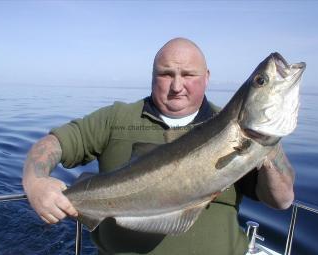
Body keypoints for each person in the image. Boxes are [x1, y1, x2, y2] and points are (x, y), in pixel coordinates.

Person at [22, 38, 295, 255]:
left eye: (188, 74)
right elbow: (53, 142)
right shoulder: (115, 118)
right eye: (166, 74)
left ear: (207, 77)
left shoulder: (229, 126)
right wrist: (35, 181)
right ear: (152, 76)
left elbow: (282, 200)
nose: (177, 85)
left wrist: (268, 144)